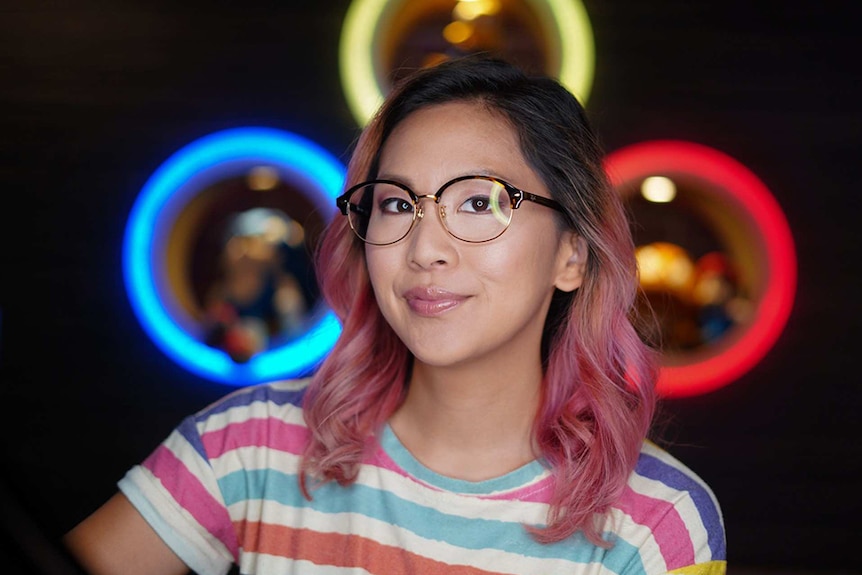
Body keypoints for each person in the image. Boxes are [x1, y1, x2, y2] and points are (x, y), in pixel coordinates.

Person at [63, 55, 726, 575]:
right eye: (396, 204)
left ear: (573, 257)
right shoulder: (252, 442)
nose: (424, 247)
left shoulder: (657, 517)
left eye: (478, 202)